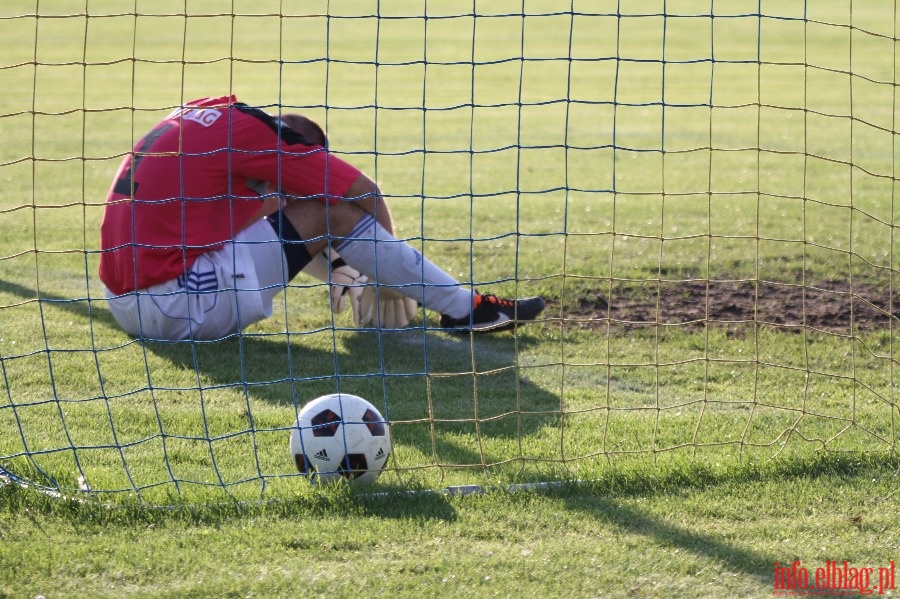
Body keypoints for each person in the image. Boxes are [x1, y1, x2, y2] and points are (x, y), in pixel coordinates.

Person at [98, 95, 545, 340]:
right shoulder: (267, 140)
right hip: (180, 306)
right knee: (332, 207)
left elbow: (269, 223)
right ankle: (464, 309)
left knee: (293, 213)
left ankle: (367, 274)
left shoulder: (199, 119)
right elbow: (362, 194)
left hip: (127, 306)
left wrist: (339, 267)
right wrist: (383, 283)